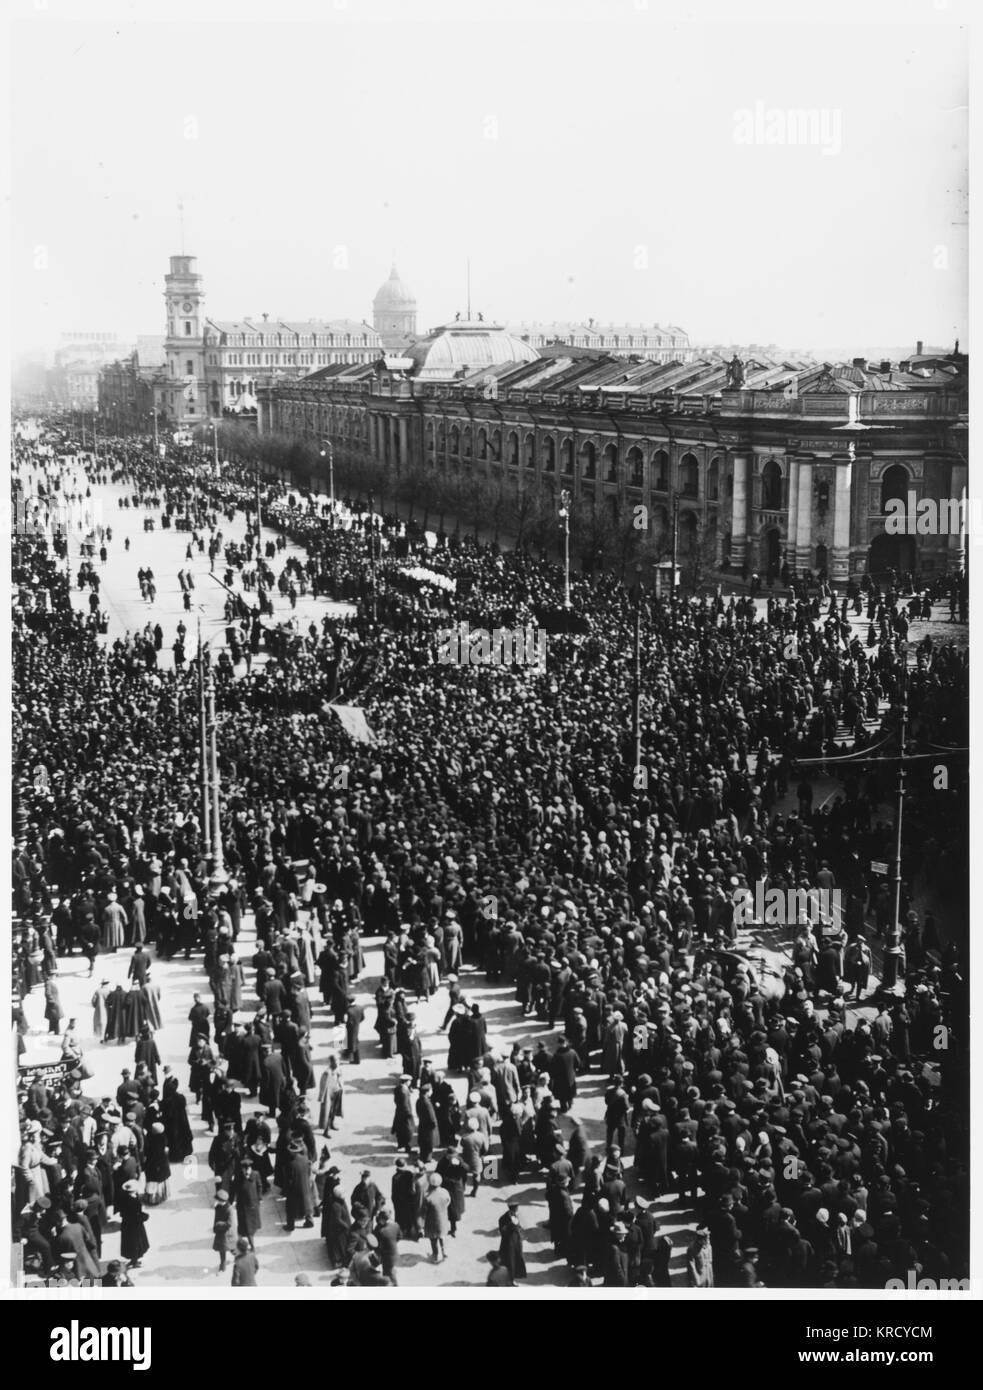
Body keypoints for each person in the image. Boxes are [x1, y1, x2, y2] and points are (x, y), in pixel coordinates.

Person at [423, 1172, 450, 1264]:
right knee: (442, 1236)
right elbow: (448, 1202)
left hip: (431, 1221)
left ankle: (435, 1255)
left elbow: (424, 1209)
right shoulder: (445, 1192)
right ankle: (444, 1252)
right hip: (443, 1219)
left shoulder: (427, 1196)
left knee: (433, 1239)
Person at [497, 1203, 527, 1281]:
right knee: (512, 1259)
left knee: (508, 1259)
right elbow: (515, 1227)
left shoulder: (505, 1216)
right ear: (515, 1208)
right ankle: (511, 1278)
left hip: (508, 1241)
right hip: (512, 1242)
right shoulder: (512, 1217)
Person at [212, 1189, 234, 1274]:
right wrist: (215, 1227)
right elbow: (216, 1218)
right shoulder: (218, 1207)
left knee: (231, 1248)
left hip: (226, 1233)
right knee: (222, 1250)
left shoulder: (229, 1209)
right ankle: (223, 1265)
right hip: (219, 1232)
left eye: (217, 1200)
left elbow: (229, 1224)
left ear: (222, 1200)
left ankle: (238, 1258)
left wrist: (218, 1224)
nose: (216, 1201)